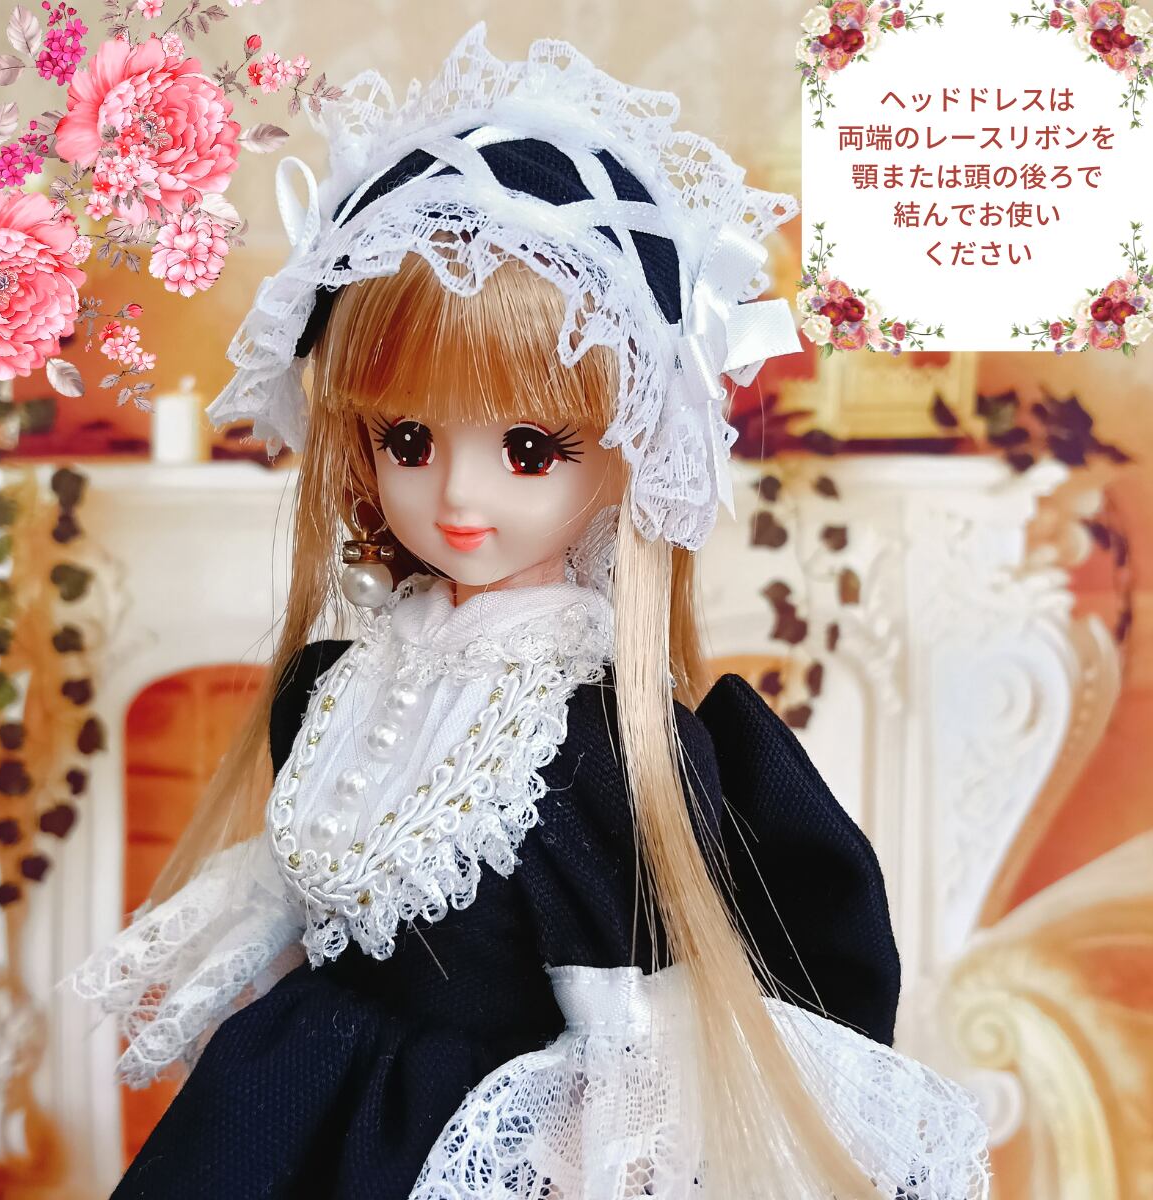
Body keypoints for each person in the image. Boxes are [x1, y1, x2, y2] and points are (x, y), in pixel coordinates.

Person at [70, 22, 990, 1199]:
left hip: (458, 1131)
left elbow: (624, 1042)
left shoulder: (595, 745)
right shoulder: (333, 687)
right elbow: (301, 907)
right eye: (409, 439)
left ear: (624, 450)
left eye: (529, 448)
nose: (459, 497)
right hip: (296, 1091)